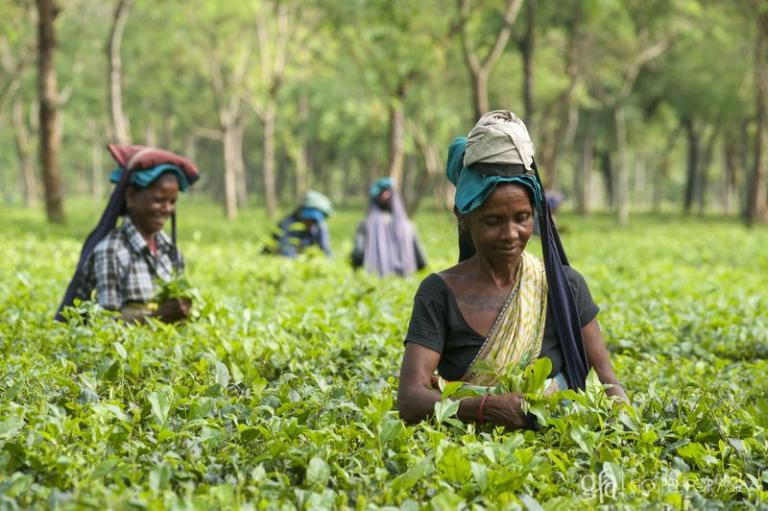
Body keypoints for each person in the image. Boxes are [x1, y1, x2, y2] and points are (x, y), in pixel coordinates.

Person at [397, 111, 628, 430]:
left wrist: (625, 426)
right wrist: (484, 409)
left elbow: (607, 379)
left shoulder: (564, 287)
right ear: (463, 217)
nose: (510, 234)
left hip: (556, 450)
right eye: (492, 221)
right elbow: (410, 397)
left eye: (521, 218)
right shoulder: (438, 293)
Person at [56, 144, 200, 323]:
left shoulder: (171, 251)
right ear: (131, 197)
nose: (167, 209)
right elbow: (105, 326)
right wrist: (158, 318)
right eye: (159, 200)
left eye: (172, 202)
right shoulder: (111, 251)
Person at [351, 177, 427, 277]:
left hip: (374, 281)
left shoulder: (365, 225)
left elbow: (358, 254)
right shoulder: (408, 226)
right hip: (404, 283)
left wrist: (356, 269)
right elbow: (421, 261)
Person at [271, 191, 333, 257]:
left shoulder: (319, 226)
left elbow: (325, 250)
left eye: (314, 221)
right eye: (309, 219)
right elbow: (284, 250)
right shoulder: (288, 224)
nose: (310, 223)